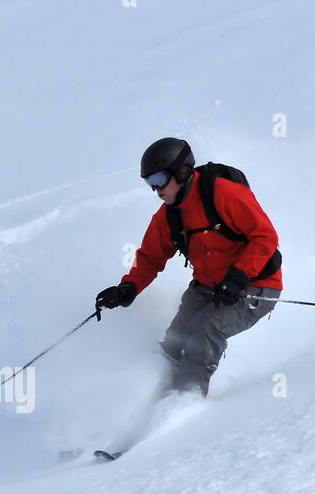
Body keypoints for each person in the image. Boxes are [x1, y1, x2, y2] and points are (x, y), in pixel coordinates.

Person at [95, 137, 284, 397]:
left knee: (206, 331)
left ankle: (185, 402)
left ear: (182, 172)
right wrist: (128, 287)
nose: (156, 190)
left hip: (254, 286)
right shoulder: (169, 215)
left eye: (160, 180)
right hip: (208, 287)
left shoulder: (223, 193)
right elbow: (150, 257)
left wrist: (238, 277)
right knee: (175, 339)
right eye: (150, 183)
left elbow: (265, 237)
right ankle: (150, 398)